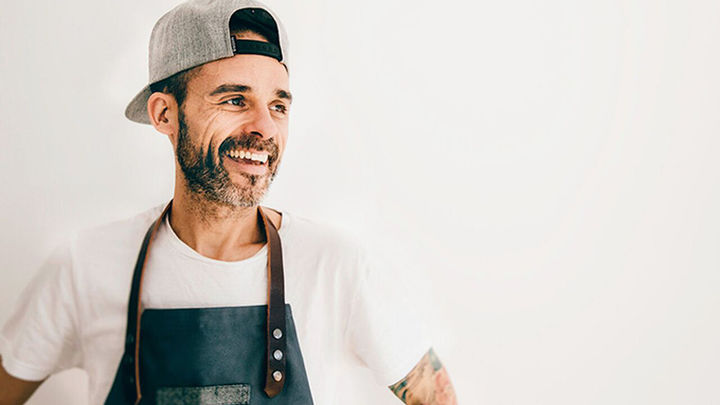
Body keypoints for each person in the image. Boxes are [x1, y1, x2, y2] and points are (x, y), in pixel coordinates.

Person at [0, 1, 458, 404]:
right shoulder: (87, 266)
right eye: (236, 100)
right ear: (165, 114)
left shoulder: (336, 266)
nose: (266, 128)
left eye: (278, 106)